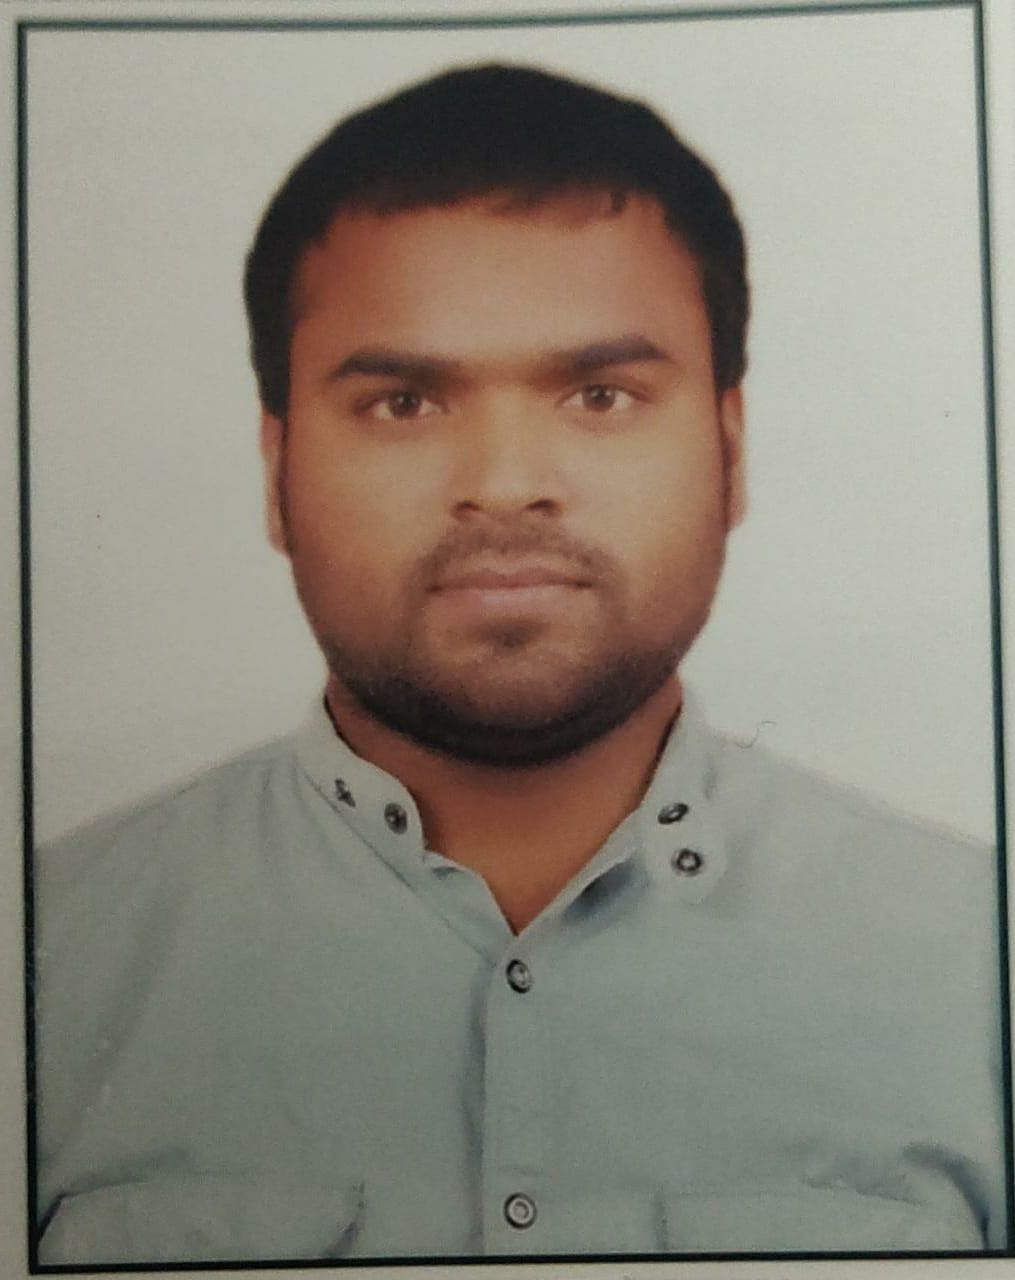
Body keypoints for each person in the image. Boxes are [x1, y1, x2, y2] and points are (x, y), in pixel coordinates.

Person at [33, 63, 1006, 1264]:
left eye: (600, 393)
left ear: (731, 447)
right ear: (276, 468)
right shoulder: (47, 962)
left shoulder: (980, 963)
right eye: (403, 403)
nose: (502, 483)